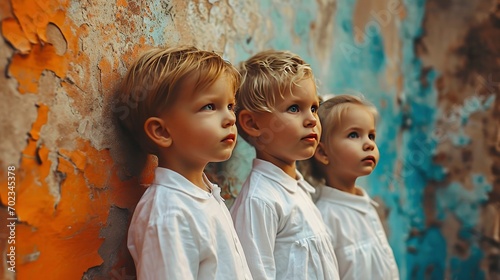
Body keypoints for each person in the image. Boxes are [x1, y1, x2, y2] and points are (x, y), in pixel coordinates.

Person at [114, 46, 252, 279]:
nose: (230, 118)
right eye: (210, 106)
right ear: (161, 131)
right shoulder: (169, 213)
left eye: (230, 106)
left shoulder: (206, 195)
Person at [230, 49, 340, 280]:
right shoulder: (259, 200)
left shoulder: (298, 189)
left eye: (314, 108)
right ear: (252, 123)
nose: (311, 119)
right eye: (294, 108)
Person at [302, 94, 399, 279]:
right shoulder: (325, 217)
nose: (369, 144)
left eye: (371, 135)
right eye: (354, 135)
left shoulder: (366, 205)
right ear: (323, 152)